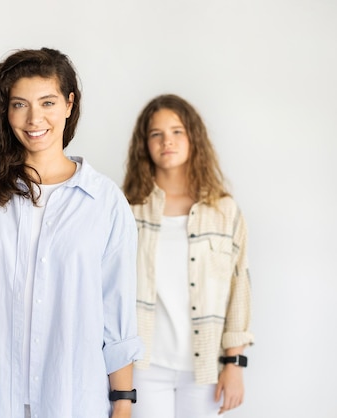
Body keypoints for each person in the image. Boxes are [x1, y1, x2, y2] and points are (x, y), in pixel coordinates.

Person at [0, 47, 143, 418]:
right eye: (19, 104)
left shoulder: (104, 202)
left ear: (69, 104)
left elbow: (117, 315)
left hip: (73, 399)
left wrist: (123, 405)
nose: (34, 118)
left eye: (47, 102)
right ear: (5, 110)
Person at [122, 94, 254, 417]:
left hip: (204, 367)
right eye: (156, 133)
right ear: (145, 144)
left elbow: (240, 292)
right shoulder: (127, 209)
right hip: (144, 365)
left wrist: (234, 364)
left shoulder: (224, 210)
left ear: (193, 137)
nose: (167, 140)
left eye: (177, 131)